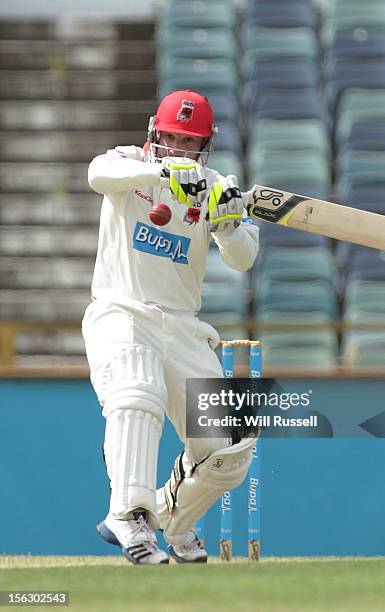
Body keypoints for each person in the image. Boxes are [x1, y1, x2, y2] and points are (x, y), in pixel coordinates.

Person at [82, 89, 259, 564]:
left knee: (231, 446)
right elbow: (98, 174)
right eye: (172, 138)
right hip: (123, 311)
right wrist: (162, 171)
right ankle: (128, 515)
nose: (179, 148)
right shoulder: (127, 163)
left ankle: (173, 522)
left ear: (206, 145)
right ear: (154, 134)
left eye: (190, 142)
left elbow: (245, 258)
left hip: (182, 326)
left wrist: (227, 225)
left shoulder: (217, 186)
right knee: (138, 393)